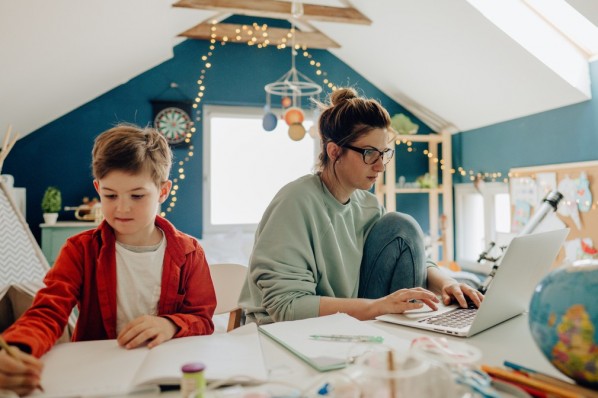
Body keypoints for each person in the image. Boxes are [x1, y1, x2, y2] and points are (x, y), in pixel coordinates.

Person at [0, 124, 216, 396]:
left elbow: (202, 320)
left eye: (137, 195)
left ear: (163, 191)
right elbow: (48, 311)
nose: (122, 208)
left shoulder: (189, 252)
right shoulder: (80, 250)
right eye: (110, 195)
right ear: (97, 188)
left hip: (164, 375)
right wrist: (18, 349)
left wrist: (170, 324)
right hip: (96, 378)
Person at [239, 88, 483, 325]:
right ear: (334, 151)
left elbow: (410, 250)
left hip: (346, 319)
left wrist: (447, 283)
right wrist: (378, 306)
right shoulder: (295, 201)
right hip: (283, 330)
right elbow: (287, 307)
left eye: (384, 153)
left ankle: (406, 338)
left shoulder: (367, 204)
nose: (380, 166)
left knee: (402, 225)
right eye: (369, 153)